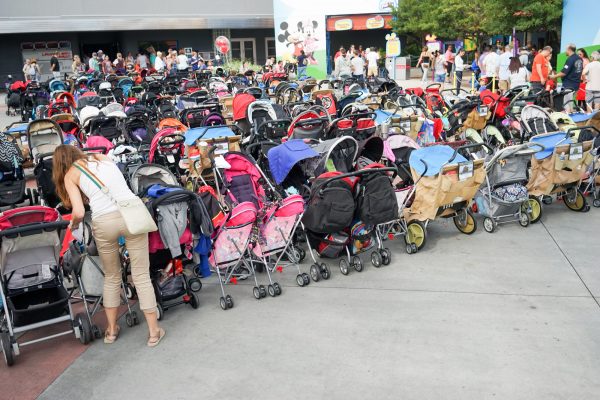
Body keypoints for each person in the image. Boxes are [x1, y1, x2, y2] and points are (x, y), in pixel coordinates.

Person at [52, 145, 165, 347]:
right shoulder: (102, 158)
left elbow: (78, 211)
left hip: (104, 222)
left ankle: (112, 331)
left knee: (112, 276)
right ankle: (154, 332)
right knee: (140, 275)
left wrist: (74, 225)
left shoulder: (70, 175)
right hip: (131, 214)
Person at [550, 44, 582, 112]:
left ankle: (569, 119)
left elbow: (564, 72)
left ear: (569, 50)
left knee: (567, 103)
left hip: (569, 85)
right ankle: (571, 116)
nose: (565, 51)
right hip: (576, 84)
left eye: (566, 50)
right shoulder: (579, 58)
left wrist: (554, 76)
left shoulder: (570, 59)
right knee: (570, 103)